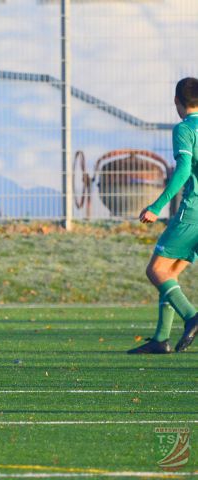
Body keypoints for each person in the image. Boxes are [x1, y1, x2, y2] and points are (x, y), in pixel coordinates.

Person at [133, 77, 198, 354]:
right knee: (171, 272)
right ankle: (161, 339)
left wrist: (156, 206)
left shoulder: (185, 129)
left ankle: (192, 317)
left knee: (156, 270)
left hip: (194, 212)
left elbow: (183, 170)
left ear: (176, 102)